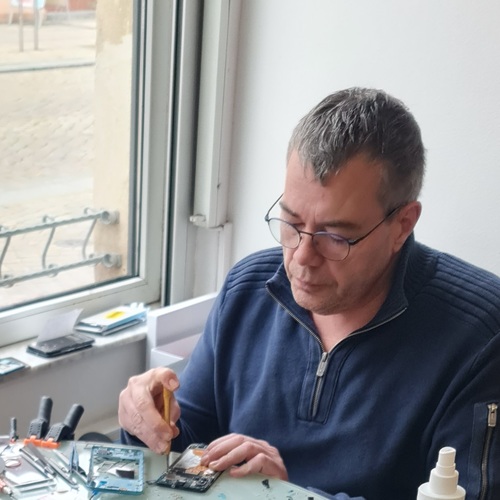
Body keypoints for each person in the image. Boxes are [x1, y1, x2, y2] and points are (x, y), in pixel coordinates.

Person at [118, 87, 500, 500]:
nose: (301, 258)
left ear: (402, 225)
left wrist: (287, 495)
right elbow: (189, 448)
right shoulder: (247, 289)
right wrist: (147, 422)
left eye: (335, 237)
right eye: (290, 222)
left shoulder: (481, 337)